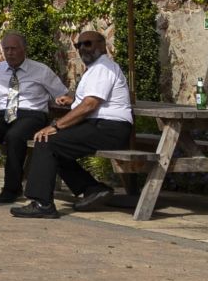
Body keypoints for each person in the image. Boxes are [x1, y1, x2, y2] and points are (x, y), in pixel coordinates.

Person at [10, 30, 136, 218]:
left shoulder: (103, 68)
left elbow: (90, 105)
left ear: (103, 45)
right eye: (79, 45)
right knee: (54, 146)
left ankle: (42, 203)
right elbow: (87, 102)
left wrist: (56, 126)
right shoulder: (95, 69)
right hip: (99, 125)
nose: (83, 49)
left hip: (109, 128)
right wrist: (73, 101)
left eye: (88, 44)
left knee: (47, 141)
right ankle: (92, 188)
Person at [0, 31, 62, 204]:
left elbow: (62, 93)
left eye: (14, 48)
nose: (9, 52)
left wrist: (63, 100)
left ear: (24, 49)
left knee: (15, 136)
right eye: (6, 49)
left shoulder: (40, 70)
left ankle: (12, 188)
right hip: (3, 114)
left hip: (31, 114)